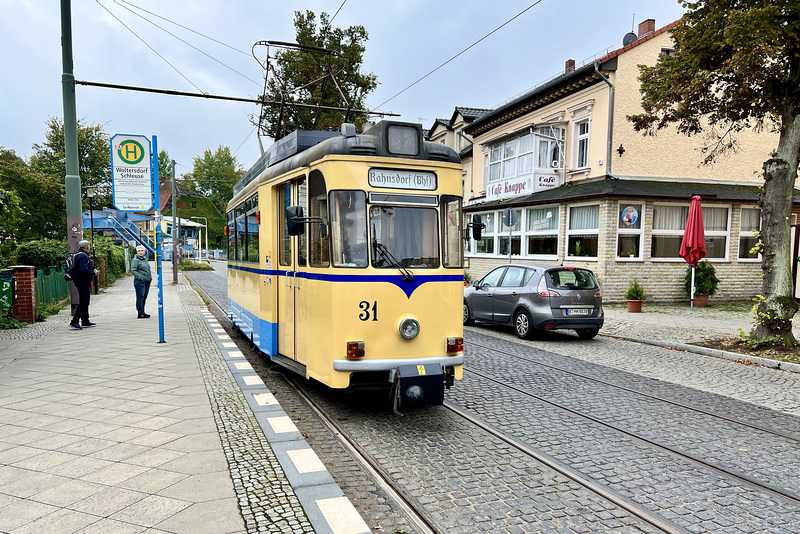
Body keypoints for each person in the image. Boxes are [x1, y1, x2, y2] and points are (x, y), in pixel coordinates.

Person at [69, 240, 99, 329]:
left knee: (85, 300)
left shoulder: (78, 254)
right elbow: (83, 270)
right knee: (84, 301)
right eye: (89, 245)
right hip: (82, 281)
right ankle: (74, 321)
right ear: (86, 246)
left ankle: (85, 320)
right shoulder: (83, 256)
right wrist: (93, 273)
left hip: (79, 280)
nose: (89, 247)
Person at [131, 245, 152, 318]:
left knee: (144, 297)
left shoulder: (144, 259)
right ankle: (140, 313)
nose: (140, 252)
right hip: (140, 282)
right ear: (137, 252)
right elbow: (133, 270)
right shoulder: (136, 260)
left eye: (142, 251)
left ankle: (143, 311)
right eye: (139, 251)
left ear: (144, 251)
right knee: (140, 297)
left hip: (147, 281)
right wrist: (141, 277)